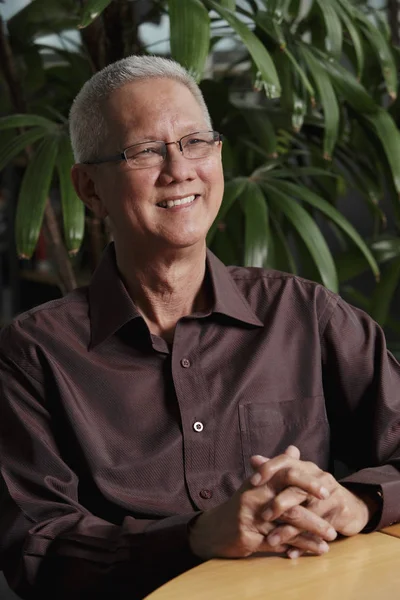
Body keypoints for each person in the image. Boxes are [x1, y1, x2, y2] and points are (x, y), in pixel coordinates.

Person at [0, 54, 399, 600]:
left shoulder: (304, 313)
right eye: (145, 151)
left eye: (195, 142)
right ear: (90, 189)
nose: (179, 169)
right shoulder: (33, 355)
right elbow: (36, 549)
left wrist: (360, 502)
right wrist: (194, 536)